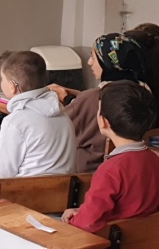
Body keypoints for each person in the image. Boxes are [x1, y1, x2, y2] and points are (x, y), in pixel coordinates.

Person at [62, 81, 159, 233]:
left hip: (112, 240)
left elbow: (87, 223)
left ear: (103, 122)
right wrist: (81, 211)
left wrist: (74, 220)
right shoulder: (154, 159)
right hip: (144, 239)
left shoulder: (110, 170)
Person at [50, 32, 152, 173]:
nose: (89, 62)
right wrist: (75, 96)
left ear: (108, 63)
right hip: (135, 169)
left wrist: (69, 99)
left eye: (93, 57)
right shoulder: (144, 93)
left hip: (88, 175)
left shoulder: (95, 98)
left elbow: (55, 130)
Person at [0, 51, 75, 179]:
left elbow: (1, 175)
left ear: (12, 86)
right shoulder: (63, 115)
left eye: (2, 79)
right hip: (65, 190)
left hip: (27, 190)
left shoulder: (15, 122)